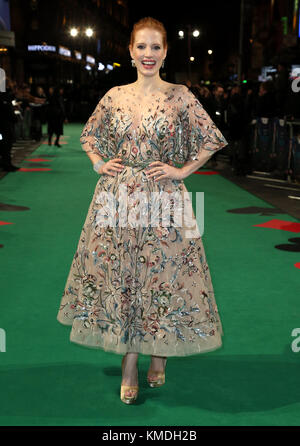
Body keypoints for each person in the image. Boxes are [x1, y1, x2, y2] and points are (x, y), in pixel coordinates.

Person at [56, 17, 228, 405]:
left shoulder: (181, 95)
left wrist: (182, 170)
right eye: (141, 47)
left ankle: (159, 354)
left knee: (163, 276)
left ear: (165, 52)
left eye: (156, 47)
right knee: (124, 276)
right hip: (117, 197)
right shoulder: (115, 94)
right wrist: (99, 163)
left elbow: (210, 138)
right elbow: (89, 136)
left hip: (164, 197)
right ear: (131, 51)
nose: (148, 54)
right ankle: (129, 363)